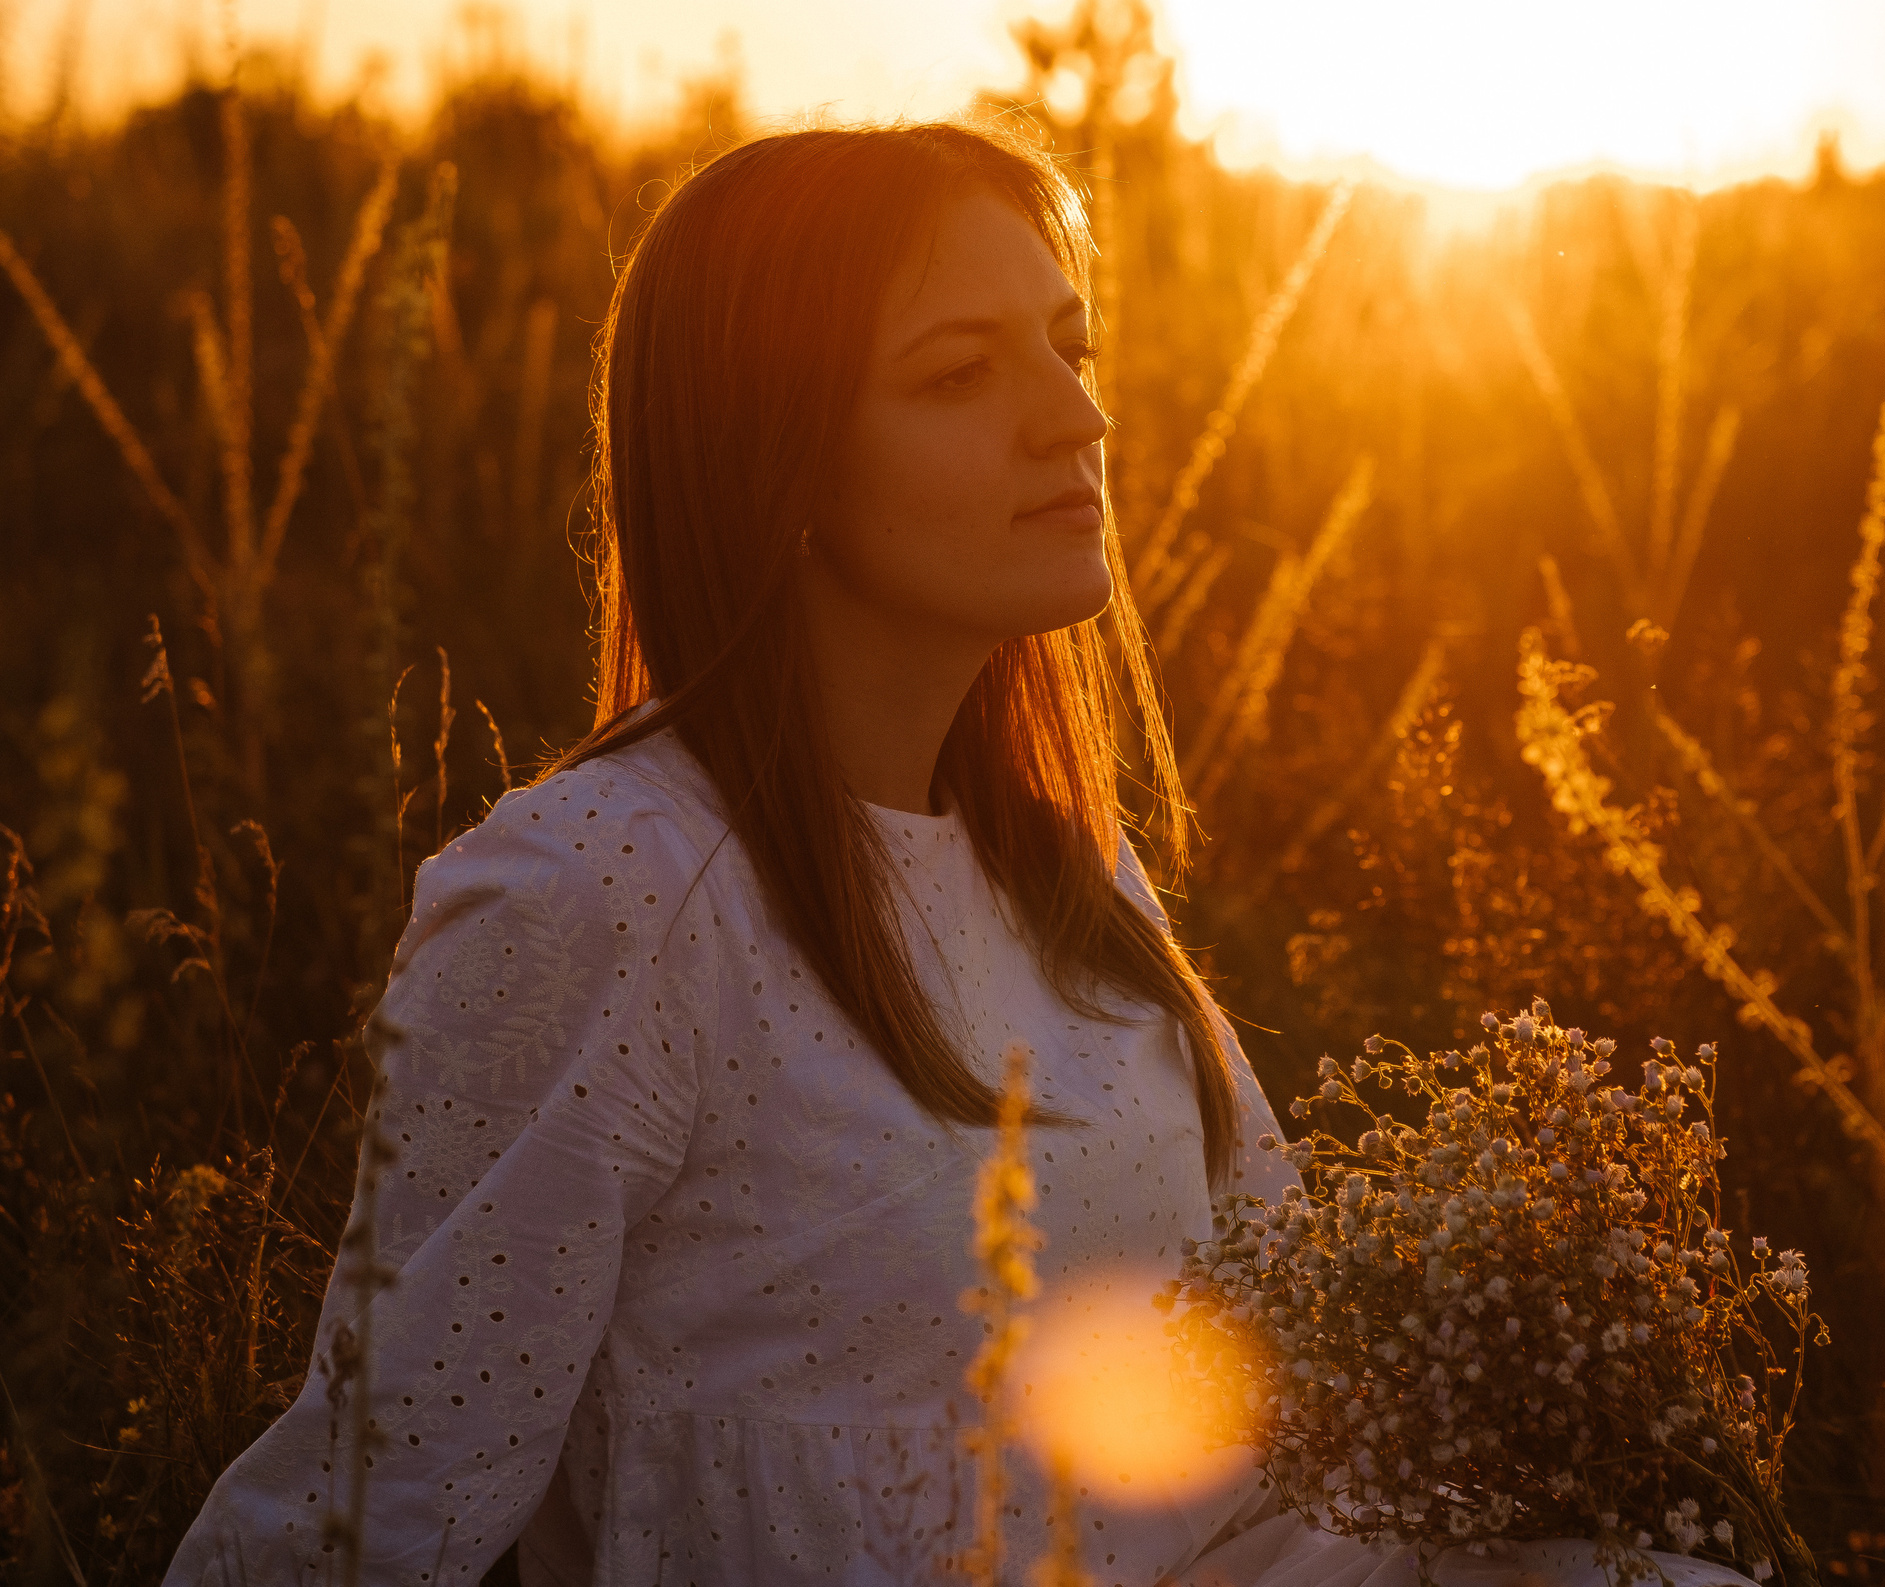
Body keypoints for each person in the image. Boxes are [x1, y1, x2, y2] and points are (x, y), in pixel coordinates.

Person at [168, 121, 1750, 1587]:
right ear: (773, 456)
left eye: (1069, 346)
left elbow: (1297, 1372)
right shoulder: (600, 895)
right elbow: (367, 1514)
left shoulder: (1068, 876)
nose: (1080, 416)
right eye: (958, 375)